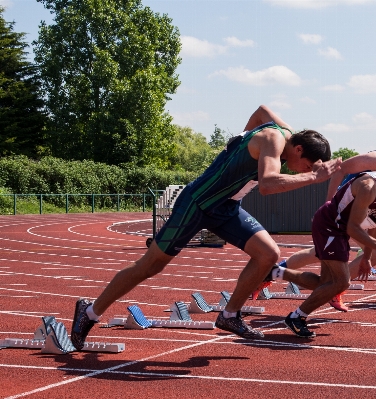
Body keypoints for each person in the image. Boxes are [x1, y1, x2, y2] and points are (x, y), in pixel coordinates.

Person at [70, 105, 342, 348]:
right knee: (150, 265)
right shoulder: (273, 139)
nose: (297, 170)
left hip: (225, 208)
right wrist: (312, 177)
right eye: (303, 165)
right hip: (198, 204)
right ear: (298, 149)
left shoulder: (285, 132)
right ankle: (90, 311)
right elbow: (269, 184)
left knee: (268, 254)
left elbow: (262, 110)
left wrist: (236, 143)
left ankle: (230, 315)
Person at [257, 130, 376, 311]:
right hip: (345, 209)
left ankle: (288, 276)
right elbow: (340, 168)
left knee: (326, 255)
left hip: (364, 210)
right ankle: (333, 287)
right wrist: (329, 202)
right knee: (366, 254)